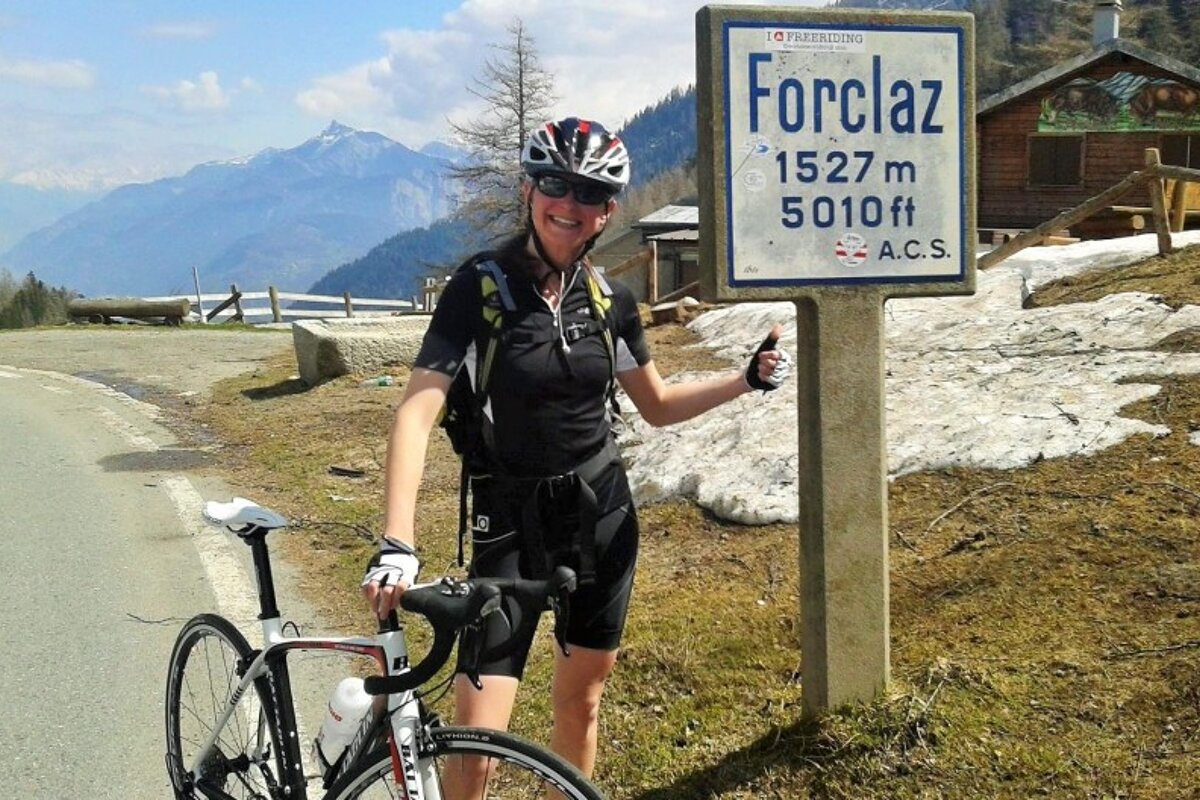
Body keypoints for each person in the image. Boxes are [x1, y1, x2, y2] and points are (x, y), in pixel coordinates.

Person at [361, 117, 790, 792]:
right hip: (508, 525)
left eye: (590, 193)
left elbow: (657, 405)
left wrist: (744, 380)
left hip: (600, 519)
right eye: (555, 185)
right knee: (478, 739)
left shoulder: (610, 301)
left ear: (608, 211)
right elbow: (416, 411)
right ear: (529, 191)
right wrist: (397, 541)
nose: (570, 203)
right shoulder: (478, 291)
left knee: (581, 705)